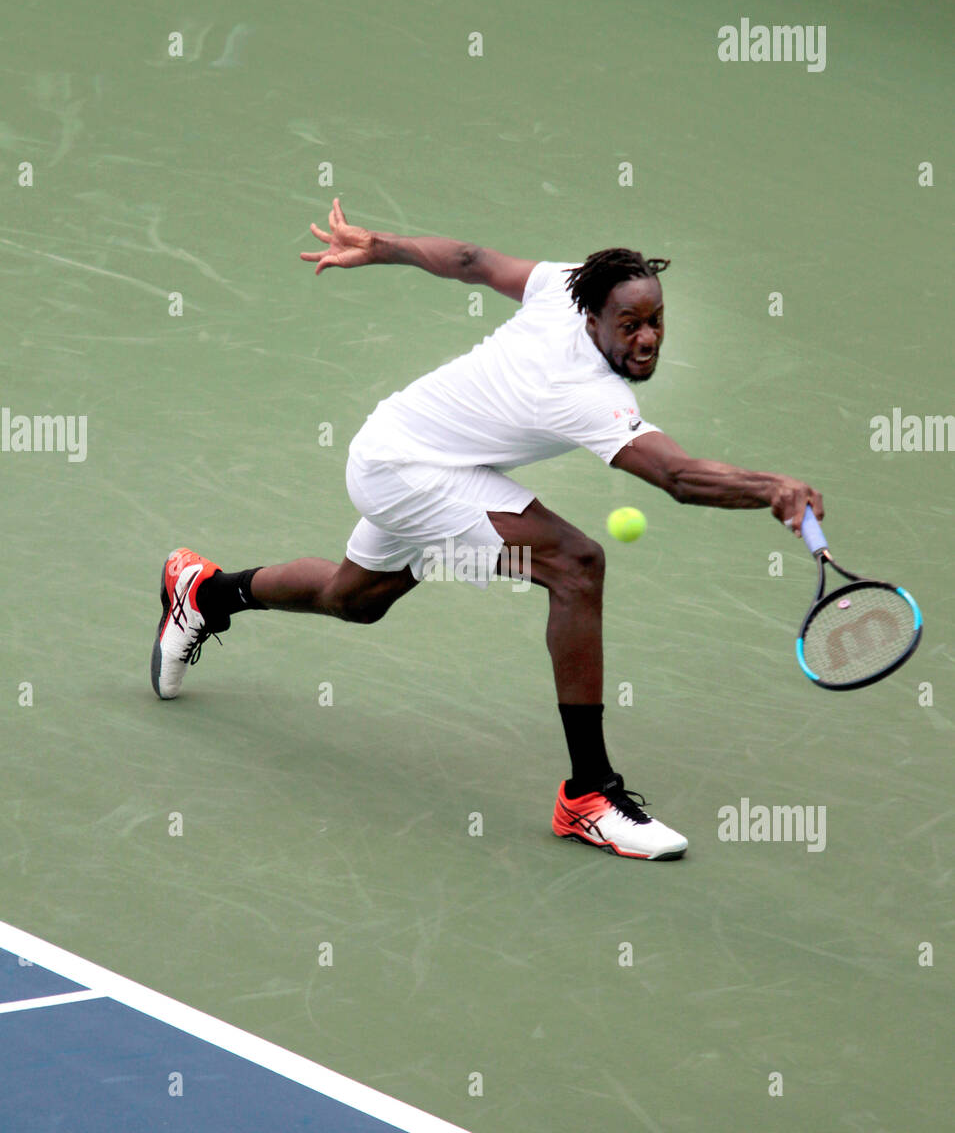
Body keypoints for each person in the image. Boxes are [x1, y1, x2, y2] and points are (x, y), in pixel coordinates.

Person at [150, 199, 824, 861]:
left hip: (410, 446)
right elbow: (676, 477)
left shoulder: (566, 285)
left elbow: (471, 261)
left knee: (355, 601)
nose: (646, 339)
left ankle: (205, 593)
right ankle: (589, 796)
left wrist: (380, 246)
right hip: (404, 469)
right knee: (575, 564)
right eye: (628, 325)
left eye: (655, 321)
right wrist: (772, 489)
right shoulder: (583, 392)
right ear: (591, 318)